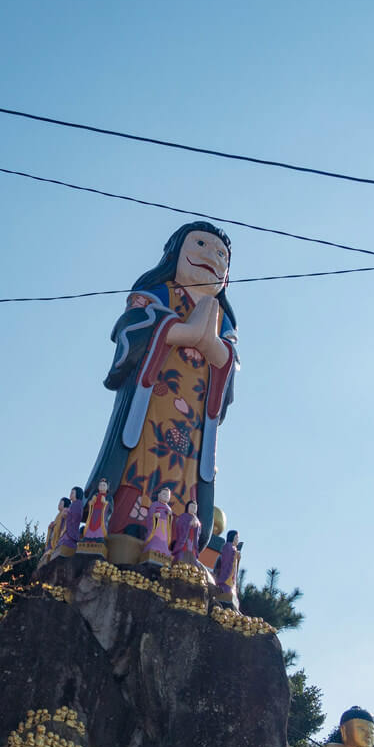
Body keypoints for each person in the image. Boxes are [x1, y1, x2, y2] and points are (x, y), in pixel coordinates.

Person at [85, 222, 238, 551]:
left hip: (195, 413)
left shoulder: (220, 316)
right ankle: (128, 525)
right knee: (142, 456)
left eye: (222, 254)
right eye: (200, 244)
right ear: (175, 253)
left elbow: (228, 359)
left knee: (187, 473)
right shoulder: (159, 293)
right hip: (153, 399)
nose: (212, 256)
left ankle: (178, 538)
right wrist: (179, 331)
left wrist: (210, 343)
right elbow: (131, 328)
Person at [141, 486, 174, 564]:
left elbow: (170, 521)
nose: (166, 497)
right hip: (156, 525)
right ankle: (152, 548)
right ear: (159, 495)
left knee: (163, 539)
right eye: (164, 494)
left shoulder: (169, 508)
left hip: (164, 527)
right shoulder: (155, 504)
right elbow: (150, 514)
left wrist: (170, 516)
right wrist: (155, 516)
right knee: (155, 538)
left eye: (167, 496)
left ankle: (164, 551)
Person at [171, 499, 201, 565]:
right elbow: (179, 528)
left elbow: (198, 534)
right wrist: (189, 524)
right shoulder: (183, 516)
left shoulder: (197, 520)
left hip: (192, 543)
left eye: (195, 507)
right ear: (188, 507)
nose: (193, 508)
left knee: (193, 562)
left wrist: (197, 526)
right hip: (184, 542)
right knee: (181, 558)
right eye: (192, 506)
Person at [57, 486, 85, 554]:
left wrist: (68, 513)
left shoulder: (78, 503)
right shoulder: (72, 505)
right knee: (62, 538)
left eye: (72, 493)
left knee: (67, 538)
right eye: (71, 493)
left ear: (77, 494)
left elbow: (77, 515)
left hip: (72, 527)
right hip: (67, 526)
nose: (70, 494)